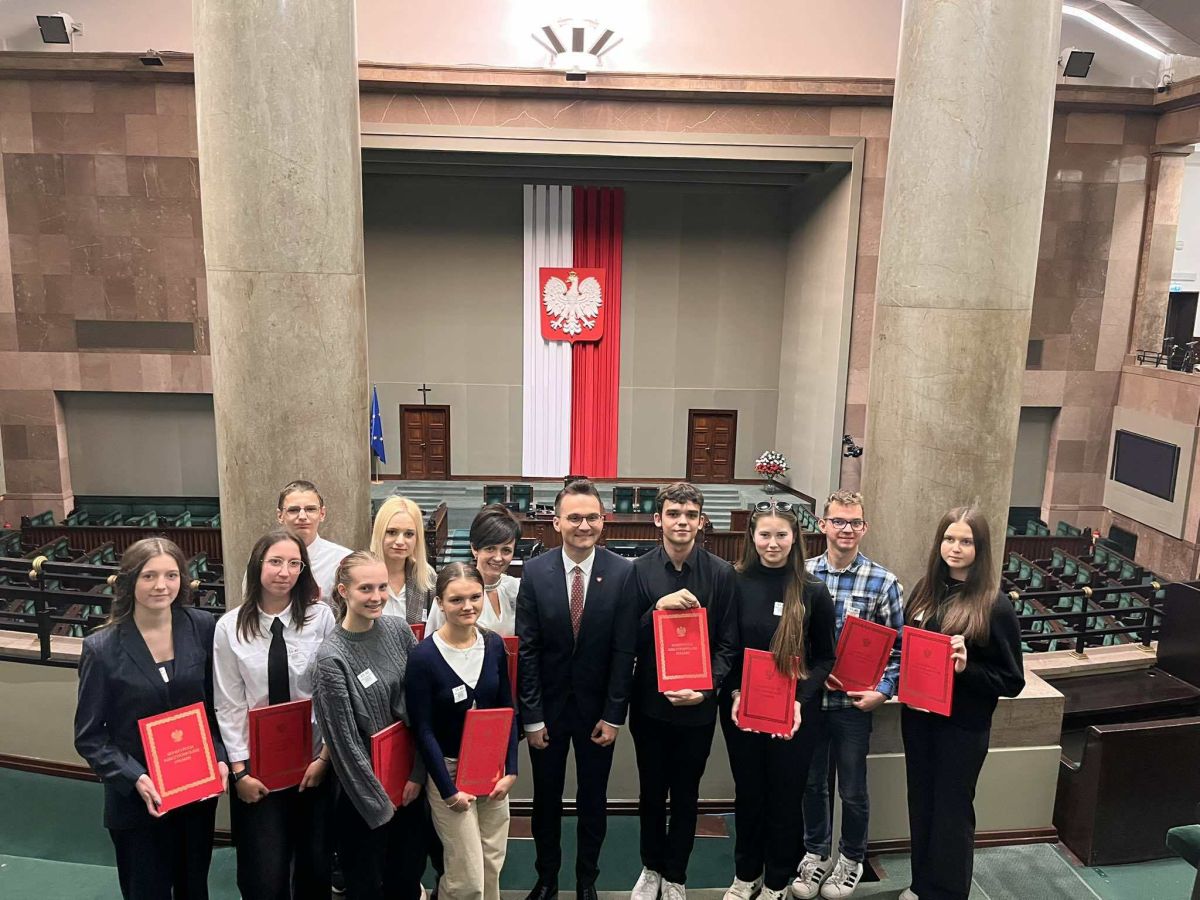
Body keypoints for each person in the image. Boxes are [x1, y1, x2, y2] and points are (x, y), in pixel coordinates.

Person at [74, 538, 228, 899]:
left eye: (171, 575)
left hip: (195, 791)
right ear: (130, 580)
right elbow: (90, 736)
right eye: (149, 576)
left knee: (194, 888)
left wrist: (220, 756)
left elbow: (216, 705)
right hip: (137, 799)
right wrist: (134, 778)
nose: (161, 585)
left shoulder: (202, 626)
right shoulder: (102, 648)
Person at [516, 478, 638, 900]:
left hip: (597, 715)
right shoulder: (535, 572)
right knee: (545, 801)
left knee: (593, 801)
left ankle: (587, 881)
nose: (583, 525)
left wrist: (614, 715)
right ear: (557, 522)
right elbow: (528, 651)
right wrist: (532, 717)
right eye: (574, 518)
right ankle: (547, 879)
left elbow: (624, 651)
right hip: (547, 715)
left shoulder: (623, 573)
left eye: (591, 517)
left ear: (603, 520)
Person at [899, 507, 1025, 900]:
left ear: (980, 548)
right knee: (921, 804)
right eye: (949, 539)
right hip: (918, 719)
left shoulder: (994, 604)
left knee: (952, 812)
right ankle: (921, 885)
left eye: (966, 541)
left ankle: (948, 892)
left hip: (962, 727)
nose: (955, 548)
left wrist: (966, 668)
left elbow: (1012, 680)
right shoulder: (924, 590)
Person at [629, 482, 740, 900]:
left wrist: (706, 689)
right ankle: (650, 867)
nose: (682, 522)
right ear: (658, 519)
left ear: (701, 521)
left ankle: (676, 874)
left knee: (687, 794)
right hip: (649, 705)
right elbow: (627, 638)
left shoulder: (722, 573)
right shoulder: (638, 571)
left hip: (697, 708)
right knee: (651, 792)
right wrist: (656, 610)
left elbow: (728, 644)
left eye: (690, 515)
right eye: (674, 514)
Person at [792, 491, 904, 899]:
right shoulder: (801, 575)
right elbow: (787, 637)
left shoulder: (884, 582)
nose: (846, 529)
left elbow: (899, 650)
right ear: (822, 525)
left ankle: (851, 859)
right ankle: (816, 854)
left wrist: (884, 692)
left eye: (854, 522)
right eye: (838, 521)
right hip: (809, 702)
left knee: (853, 790)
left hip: (853, 707)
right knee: (811, 784)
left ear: (864, 528)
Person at [213, 529, 337, 900]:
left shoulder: (321, 618)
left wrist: (324, 758)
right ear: (258, 565)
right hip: (258, 769)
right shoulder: (230, 627)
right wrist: (240, 772)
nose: (285, 572)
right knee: (264, 874)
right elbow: (229, 702)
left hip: (312, 763)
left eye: (294, 564)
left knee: (315, 866)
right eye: (276, 562)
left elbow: (332, 694)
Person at [721, 502, 836, 900]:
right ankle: (746, 874)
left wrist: (800, 700)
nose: (773, 543)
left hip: (795, 714)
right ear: (752, 537)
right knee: (749, 794)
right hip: (742, 708)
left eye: (781, 535)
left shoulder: (813, 590)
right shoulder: (733, 582)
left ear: (794, 538)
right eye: (765, 535)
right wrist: (734, 692)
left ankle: (776, 881)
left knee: (786, 799)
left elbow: (825, 657)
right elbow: (726, 647)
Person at [311, 550, 427, 900]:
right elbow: (344, 744)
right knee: (365, 886)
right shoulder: (331, 658)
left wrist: (417, 775)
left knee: (407, 881)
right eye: (365, 588)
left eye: (382, 587)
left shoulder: (398, 630)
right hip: (364, 798)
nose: (377, 597)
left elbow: (420, 705)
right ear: (343, 591)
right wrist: (380, 804)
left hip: (409, 785)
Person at [407, 563, 519, 900]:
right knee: (466, 877)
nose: (468, 606)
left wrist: (511, 770)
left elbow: (507, 710)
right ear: (440, 603)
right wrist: (448, 790)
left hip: (492, 770)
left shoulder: (494, 645)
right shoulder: (423, 657)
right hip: (450, 772)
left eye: (475, 597)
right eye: (456, 600)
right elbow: (423, 729)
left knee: (491, 864)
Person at [427, 504, 521, 635]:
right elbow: (432, 640)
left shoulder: (516, 588)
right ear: (475, 548)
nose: (498, 558)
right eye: (490, 548)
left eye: (506, 550)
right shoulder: (452, 590)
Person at [276, 480, 350, 604]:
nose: (302, 516)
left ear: (322, 514)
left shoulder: (342, 560)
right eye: (293, 510)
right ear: (280, 516)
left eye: (310, 509)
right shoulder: (264, 559)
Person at [370, 495, 436, 627]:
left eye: (409, 534)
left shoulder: (427, 577)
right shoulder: (358, 575)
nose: (400, 541)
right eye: (392, 532)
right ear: (379, 532)